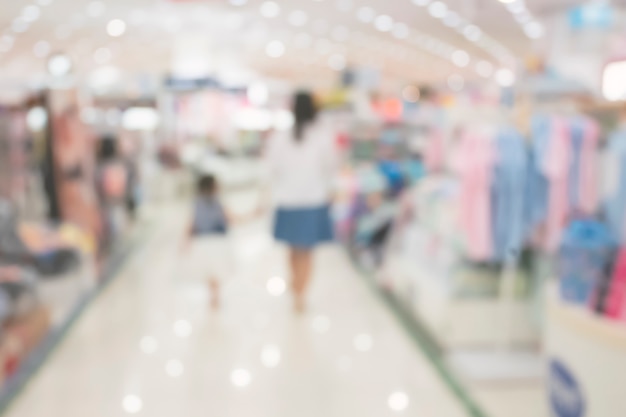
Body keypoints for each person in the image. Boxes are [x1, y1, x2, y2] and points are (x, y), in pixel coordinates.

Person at [264, 91, 339, 313]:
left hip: (287, 200)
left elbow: (271, 168)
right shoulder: (322, 137)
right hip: (312, 200)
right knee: (307, 252)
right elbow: (331, 167)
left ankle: (296, 286)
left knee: (293, 250)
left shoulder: (280, 137)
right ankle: (300, 294)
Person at [183, 174, 235, 311]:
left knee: (209, 271)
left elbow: (190, 225)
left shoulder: (196, 203)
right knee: (215, 272)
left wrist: (185, 242)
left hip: (202, 242)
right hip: (217, 242)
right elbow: (231, 219)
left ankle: (213, 297)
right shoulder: (218, 203)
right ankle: (215, 297)